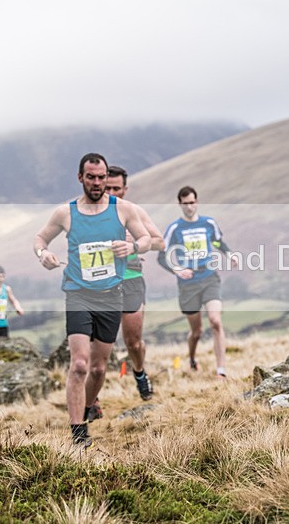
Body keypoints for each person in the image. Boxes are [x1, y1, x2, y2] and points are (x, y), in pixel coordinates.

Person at [33, 153, 151, 447]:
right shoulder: (66, 213)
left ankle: (85, 408)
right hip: (78, 294)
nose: (97, 183)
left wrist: (133, 247)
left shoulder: (123, 210)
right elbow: (40, 239)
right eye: (91, 177)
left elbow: (146, 239)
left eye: (101, 177)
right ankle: (78, 433)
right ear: (80, 178)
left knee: (98, 369)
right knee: (80, 364)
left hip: (111, 296)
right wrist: (43, 254)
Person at [158, 186, 238, 378]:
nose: (189, 207)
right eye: (185, 204)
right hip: (188, 284)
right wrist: (177, 269)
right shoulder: (174, 229)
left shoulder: (208, 223)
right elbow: (162, 256)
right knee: (197, 332)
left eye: (192, 203)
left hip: (209, 277)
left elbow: (217, 242)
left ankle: (221, 371)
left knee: (215, 321)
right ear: (180, 204)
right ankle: (192, 359)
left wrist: (229, 254)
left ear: (197, 202)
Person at [105, 165, 165, 400]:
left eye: (116, 189)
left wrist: (135, 244)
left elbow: (160, 242)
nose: (111, 193)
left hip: (131, 278)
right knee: (98, 342)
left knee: (133, 342)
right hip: (101, 282)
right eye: (107, 188)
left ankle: (139, 372)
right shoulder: (89, 213)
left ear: (125, 189)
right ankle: (92, 397)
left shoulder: (134, 212)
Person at [0, 265, 24, 337]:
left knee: (4, 343)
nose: (0, 279)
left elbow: (13, 301)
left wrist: (18, 308)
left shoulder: (6, 289)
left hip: (2, 325)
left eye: (2, 277)